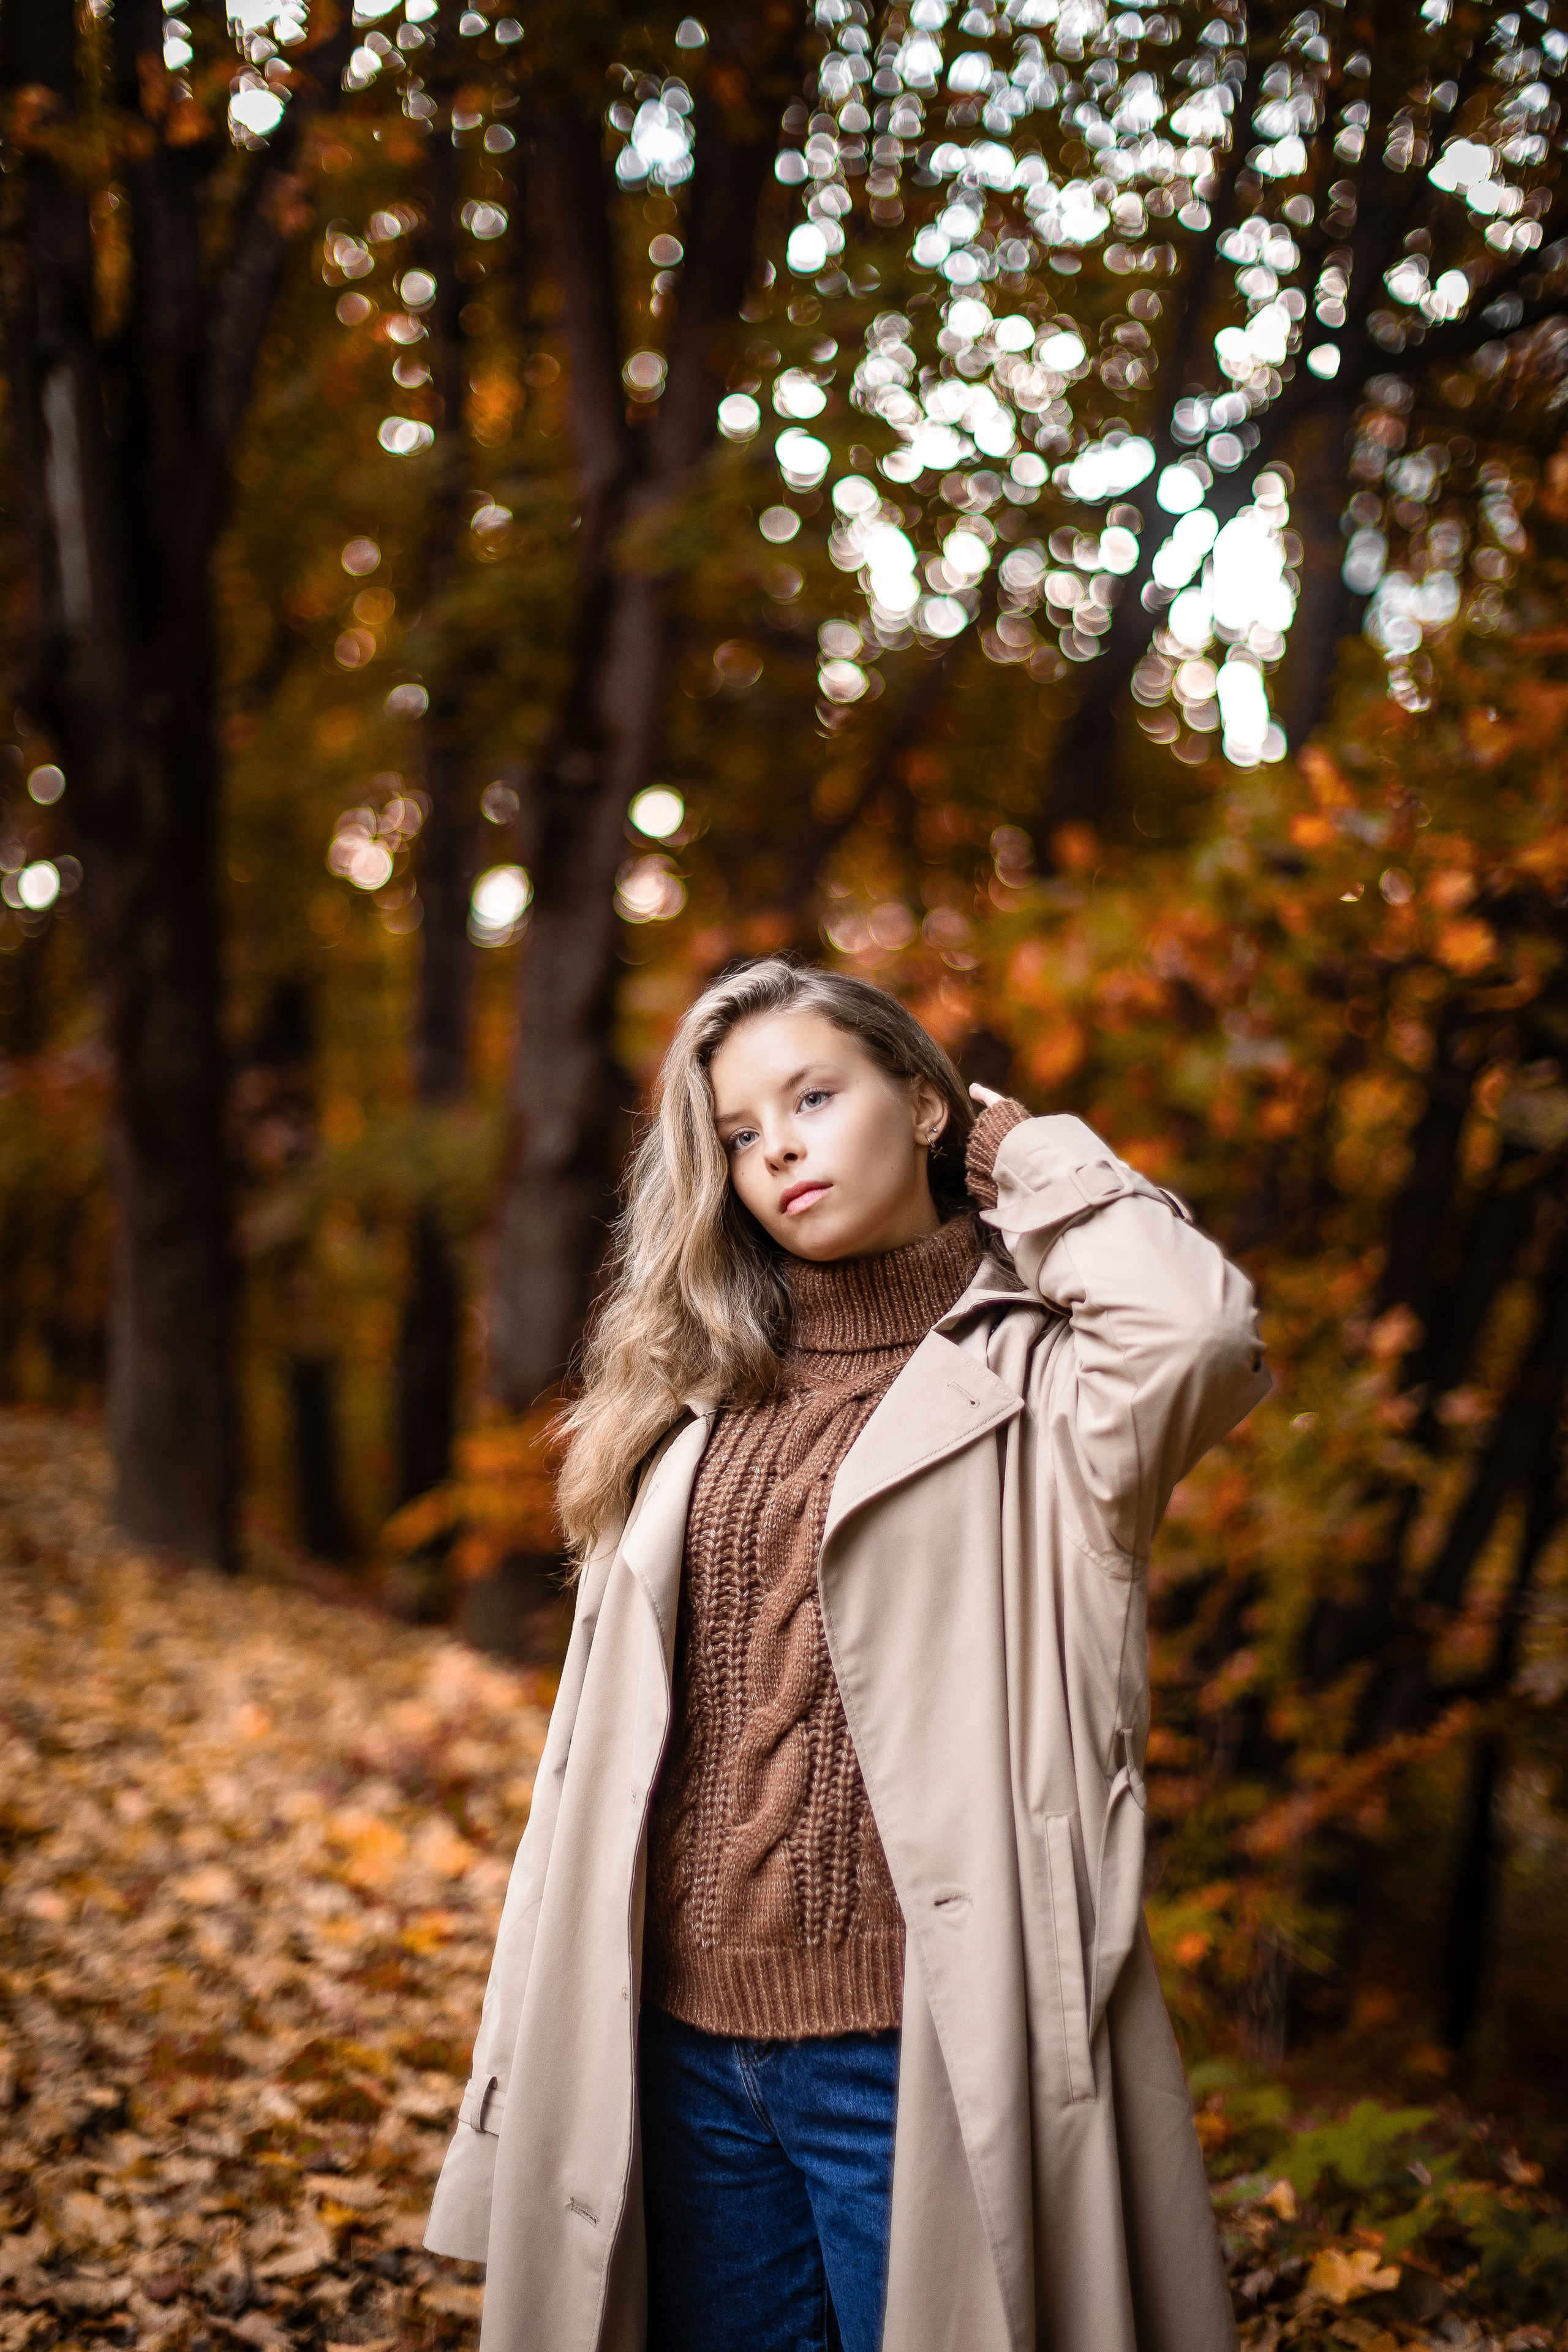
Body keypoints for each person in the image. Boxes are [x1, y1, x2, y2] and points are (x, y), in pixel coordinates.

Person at [425, 957, 1269, 2352]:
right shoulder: (692, 1391)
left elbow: (1195, 1331)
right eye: (742, 1137)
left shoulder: (1039, 1386)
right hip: (675, 2049)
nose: (780, 1152)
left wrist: (1015, 1146)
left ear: (922, 1104)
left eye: (812, 1097)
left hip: (914, 2058)